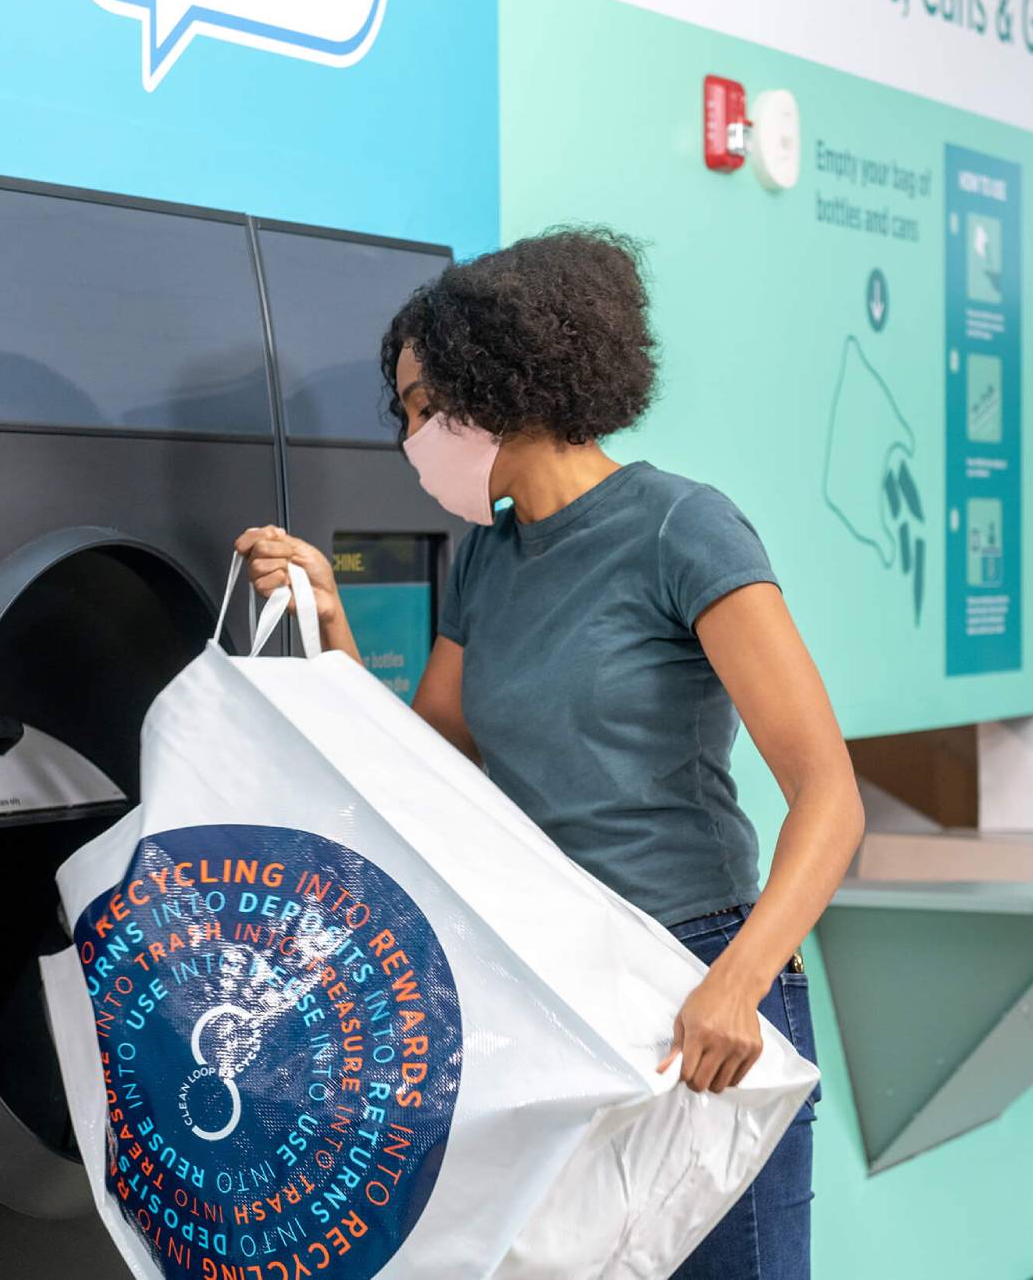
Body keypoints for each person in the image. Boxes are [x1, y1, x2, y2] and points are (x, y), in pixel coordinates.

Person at [235, 228, 863, 1280]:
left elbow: (827, 794)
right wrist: (332, 624)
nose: (408, 435)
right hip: (548, 979)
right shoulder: (488, 555)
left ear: (499, 382)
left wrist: (736, 984)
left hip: (695, 976)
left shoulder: (681, 530)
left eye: (418, 404)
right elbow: (426, 767)